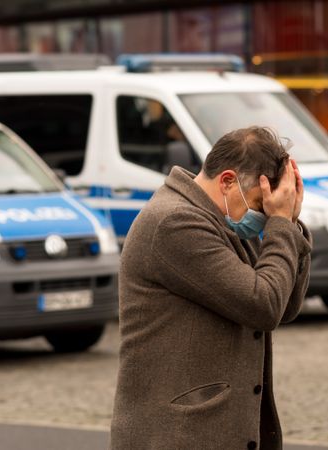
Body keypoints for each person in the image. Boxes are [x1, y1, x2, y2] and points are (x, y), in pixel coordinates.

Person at [110, 126, 312, 449]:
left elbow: (284, 304)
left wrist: (290, 224)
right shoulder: (175, 223)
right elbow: (263, 304)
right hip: (179, 438)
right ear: (228, 181)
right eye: (261, 205)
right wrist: (280, 226)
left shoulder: (218, 219)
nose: (263, 217)